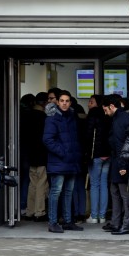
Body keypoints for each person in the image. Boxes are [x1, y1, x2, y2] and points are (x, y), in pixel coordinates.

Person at [43, 90, 83, 233]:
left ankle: (68, 221)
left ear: (70, 102)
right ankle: (52, 222)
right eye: (62, 101)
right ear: (57, 102)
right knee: (56, 192)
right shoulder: (52, 118)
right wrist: (63, 152)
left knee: (68, 192)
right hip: (59, 161)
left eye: (67, 101)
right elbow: (47, 140)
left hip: (71, 161)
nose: (65, 103)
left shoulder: (72, 116)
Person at [101, 94, 129, 235]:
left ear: (112, 106)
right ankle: (117, 223)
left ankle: (126, 225)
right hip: (118, 161)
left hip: (121, 162)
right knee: (116, 193)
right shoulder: (121, 118)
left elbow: (121, 144)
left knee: (123, 195)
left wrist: (122, 166)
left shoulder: (120, 120)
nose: (105, 113)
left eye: (105, 110)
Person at [85, 94, 111, 224]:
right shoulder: (107, 114)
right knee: (104, 184)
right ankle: (103, 215)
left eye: (91, 101)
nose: (89, 104)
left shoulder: (93, 114)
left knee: (94, 184)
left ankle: (94, 216)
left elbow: (89, 134)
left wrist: (86, 152)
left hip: (95, 154)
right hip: (108, 154)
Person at [25, 92, 49, 222]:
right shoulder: (44, 117)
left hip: (31, 155)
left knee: (32, 183)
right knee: (41, 183)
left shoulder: (28, 116)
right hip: (41, 155)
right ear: (45, 103)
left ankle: (30, 211)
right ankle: (39, 212)